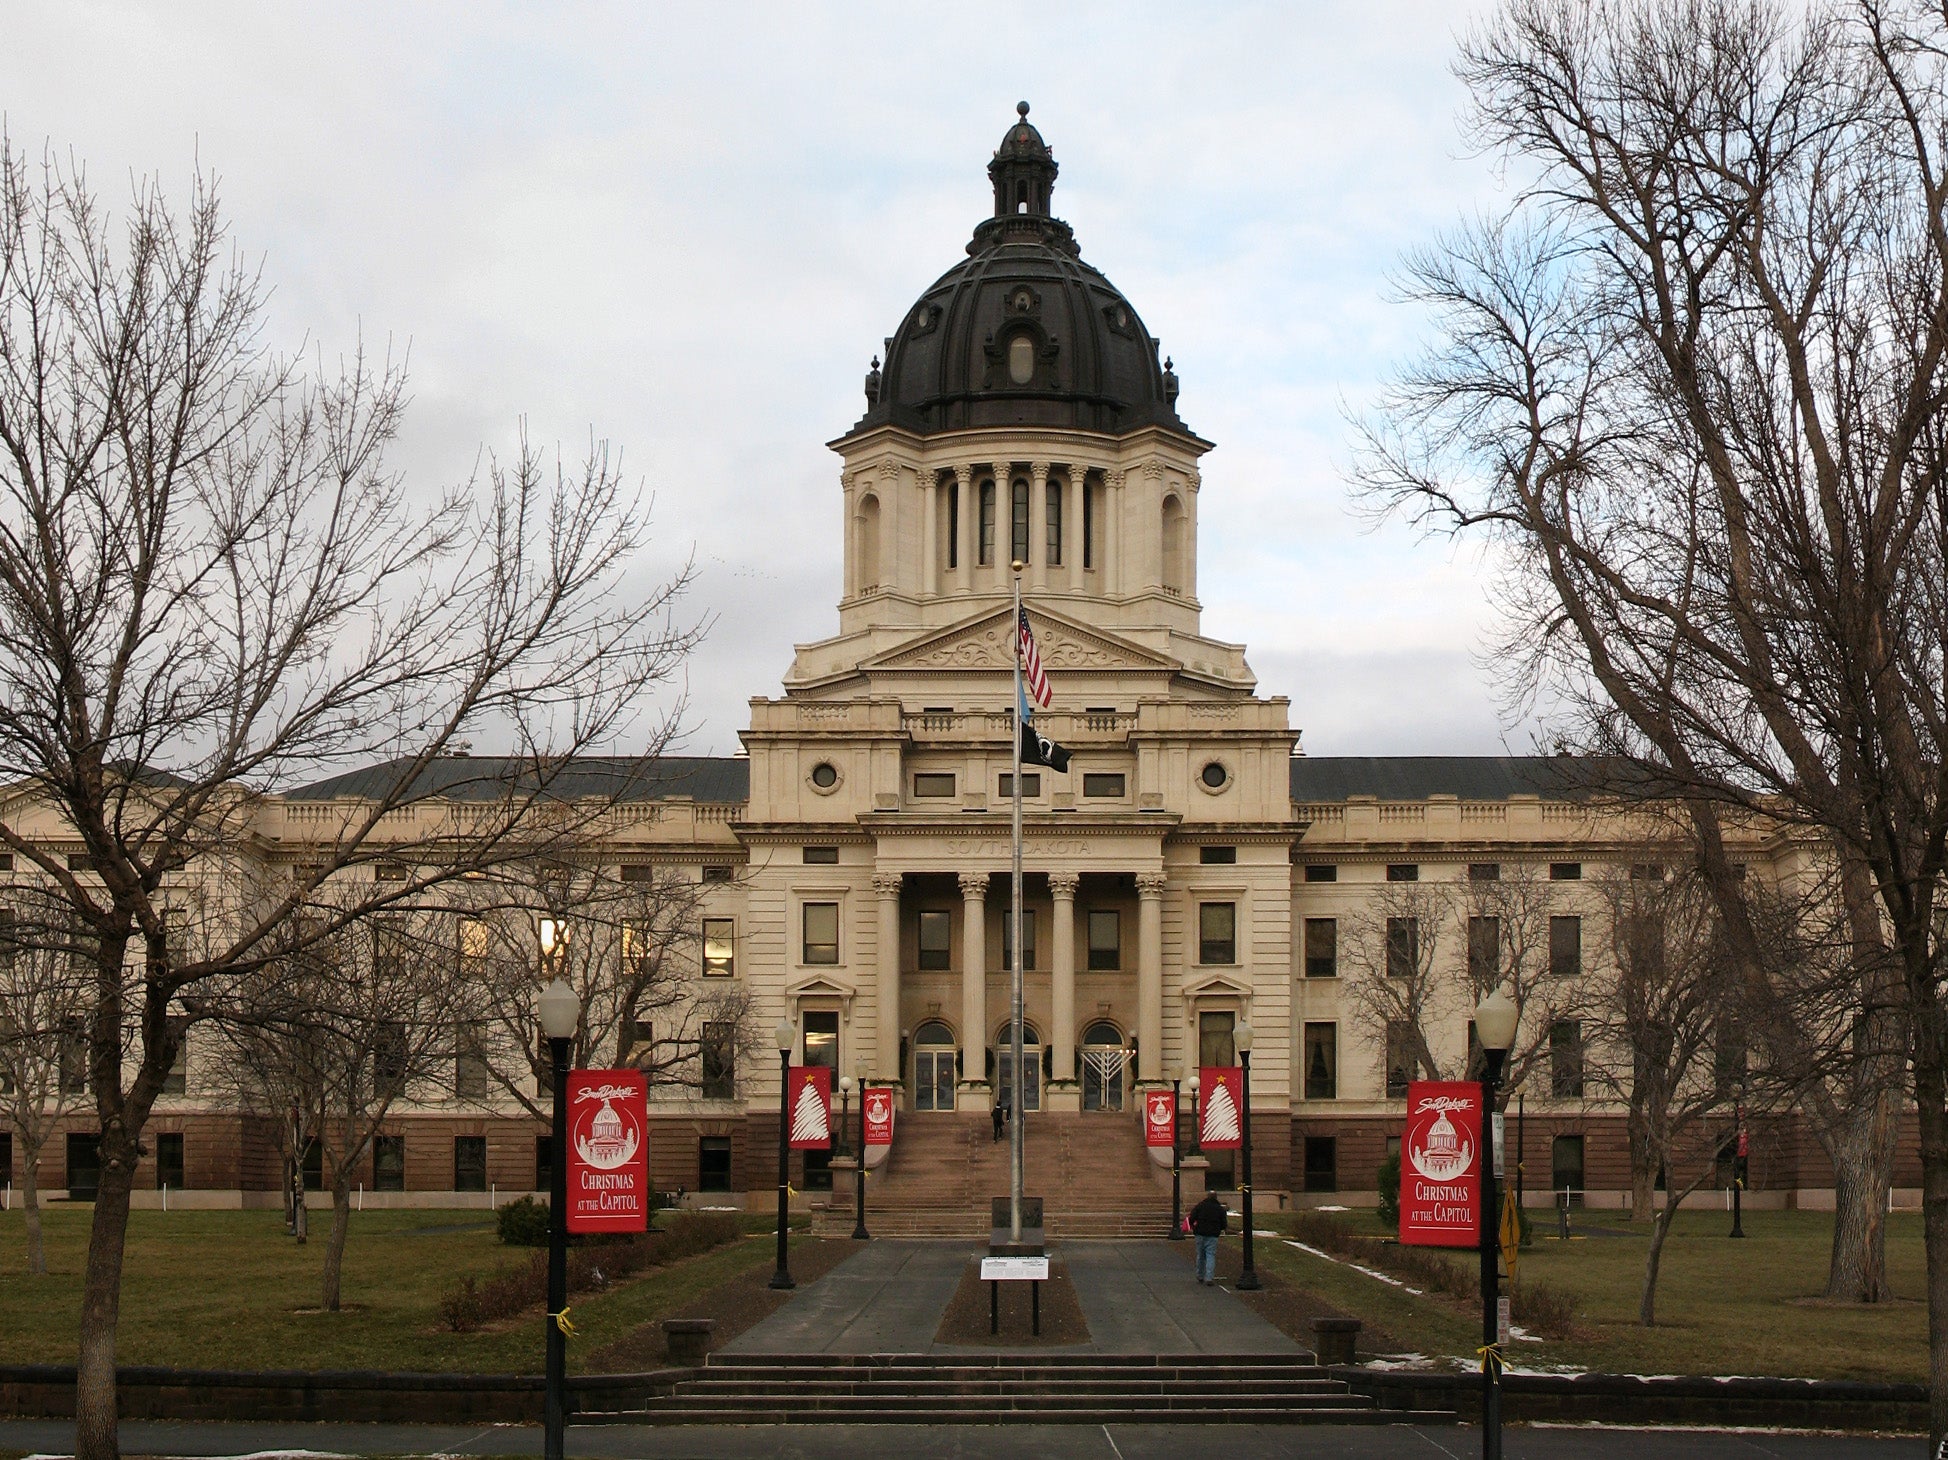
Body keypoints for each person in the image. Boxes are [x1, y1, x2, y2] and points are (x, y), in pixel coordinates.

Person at [1189, 1191, 1228, 1285]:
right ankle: (1209, 1277)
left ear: (1207, 1196)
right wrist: (1219, 1229)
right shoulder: (1219, 1209)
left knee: (1200, 1255)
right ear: (1216, 1197)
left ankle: (1200, 1275)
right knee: (1210, 1255)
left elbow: (1192, 1218)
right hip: (1212, 1235)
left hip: (1200, 1233)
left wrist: (1194, 1227)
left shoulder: (1200, 1206)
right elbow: (1224, 1223)